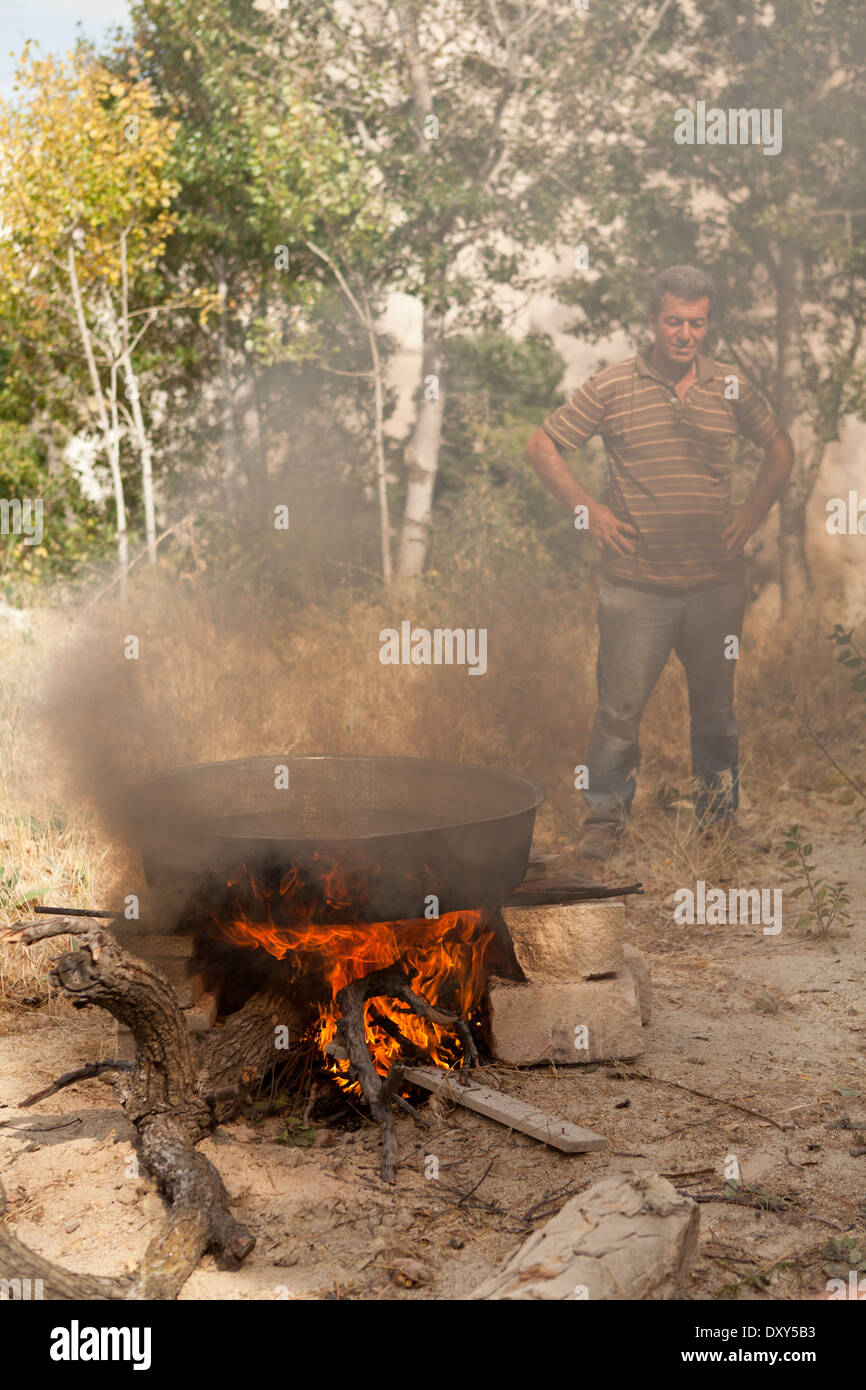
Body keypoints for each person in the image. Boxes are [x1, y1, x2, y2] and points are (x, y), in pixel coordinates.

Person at [525, 265, 794, 860]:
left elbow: (779, 447)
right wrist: (587, 510)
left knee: (717, 712)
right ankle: (603, 825)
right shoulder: (612, 386)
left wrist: (752, 508)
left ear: (707, 324)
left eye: (696, 322)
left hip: (716, 587)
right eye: (673, 320)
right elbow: (541, 445)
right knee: (618, 710)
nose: (685, 333)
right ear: (652, 321)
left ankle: (719, 823)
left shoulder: (729, 385)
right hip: (636, 587)